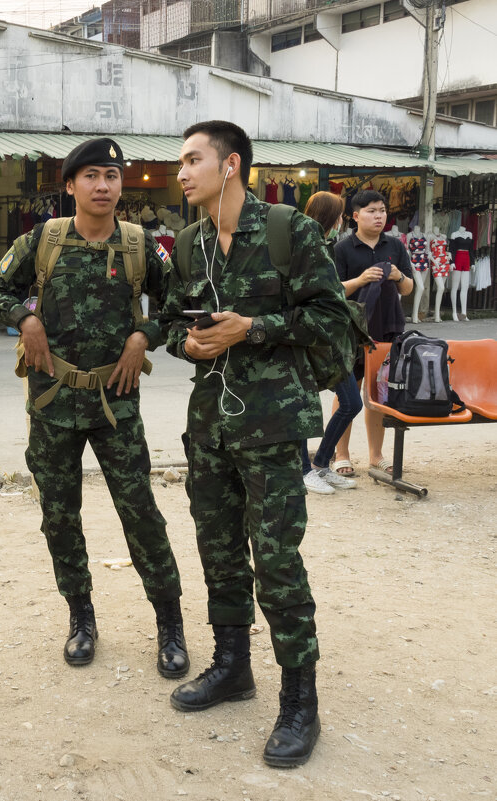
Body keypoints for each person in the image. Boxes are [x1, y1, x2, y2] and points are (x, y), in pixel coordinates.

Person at [162, 120, 350, 768]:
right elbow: (166, 321)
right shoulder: (188, 244)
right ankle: (233, 664)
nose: (182, 172)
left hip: (271, 428)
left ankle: (301, 700)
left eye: (193, 159)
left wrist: (254, 328)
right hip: (210, 425)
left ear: (231, 164)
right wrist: (181, 341)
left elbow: (333, 319)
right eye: (180, 162)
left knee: (276, 563)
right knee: (218, 551)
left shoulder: (286, 231)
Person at [0, 137, 189, 680]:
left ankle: (170, 625)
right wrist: (27, 319)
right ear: (70, 185)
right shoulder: (42, 241)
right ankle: (81, 618)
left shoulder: (144, 244)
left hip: (117, 403)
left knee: (141, 513)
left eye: (112, 176)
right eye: (92, 176)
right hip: (53, 404)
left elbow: (178, 305)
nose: (104, 186)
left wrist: (145, 335)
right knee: (60, 517)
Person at [331, 190, 414, 477]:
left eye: (382, 210)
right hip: (350, 331)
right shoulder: (342, 248)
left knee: (378, 392)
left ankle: (376, 455)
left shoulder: (395, 245)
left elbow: (409, 288)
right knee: (347, 393)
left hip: (387, 330)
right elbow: (333, 290)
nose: (379, 216)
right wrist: (361, 279)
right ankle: (341, 454)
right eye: (371, 211)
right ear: (355, 216)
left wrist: (398, 277)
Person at [298, 192, 361, 496]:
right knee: (302, 405)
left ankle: (321, 463)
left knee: (351, 402)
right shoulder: (304, 247)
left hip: (333, 339)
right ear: (329, 217)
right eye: (340, 216)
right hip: (308, 337)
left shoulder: (327, 247)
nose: (342, 222)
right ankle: (302, 470)